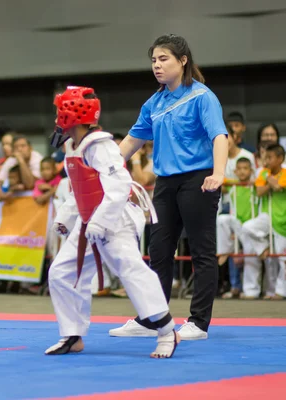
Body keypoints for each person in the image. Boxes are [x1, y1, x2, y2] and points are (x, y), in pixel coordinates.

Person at [46, 86, 177, 358]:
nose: (58, 116)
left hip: (115, 218)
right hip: (88, 218)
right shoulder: (73, 145)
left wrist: (100, 222)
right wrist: (66, 217)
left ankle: (167, 331)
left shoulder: (101, 146)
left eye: (61, 111)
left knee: (130, 270)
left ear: (72, 114)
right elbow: (80, 188)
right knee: (61, 272)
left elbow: (118, 186)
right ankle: (72, 334)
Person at [113, 34, 228, 340]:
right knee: (159, 251)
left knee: (202, 252)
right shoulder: (154, 103)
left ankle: (198, 323)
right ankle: (153, 318)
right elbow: (131, 141)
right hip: (166, 183)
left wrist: (218, 173)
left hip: (199, 179)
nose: (157, 66)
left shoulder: (201, 96)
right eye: (153, 60)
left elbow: (219, 136)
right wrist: (104, 168)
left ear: (183, 61)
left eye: (164, 59)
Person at [240, 144, 286, 300]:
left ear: (280, 159)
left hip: (283, 220)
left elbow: (280, 187)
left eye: (270, 157)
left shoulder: (284, 173)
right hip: (267, 217)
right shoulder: (264, 173)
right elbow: (260, 191)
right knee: (247, 227)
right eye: (265, 157)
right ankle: (262, 248)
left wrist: (270, 180)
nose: (265, 161)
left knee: (282, 258)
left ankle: (280, 291)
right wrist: (269, 180)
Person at [216, 157, 256, 299]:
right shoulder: (233, 186)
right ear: (235, 171)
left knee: (249, 258)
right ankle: (235, 286)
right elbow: (221, 181)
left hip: (251, 227)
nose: (242, 171)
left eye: (246, 168)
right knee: (222, 219)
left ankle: (251, 289)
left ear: (251, 170)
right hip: (237, 227)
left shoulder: (255, 185)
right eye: (239, 169)